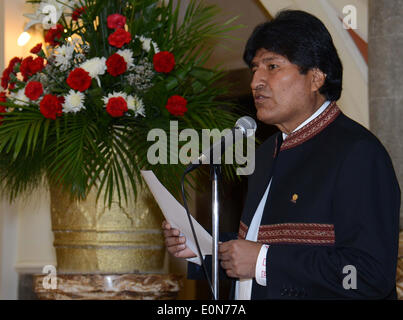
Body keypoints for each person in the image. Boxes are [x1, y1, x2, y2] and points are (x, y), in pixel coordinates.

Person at [162, 10, 401, 299]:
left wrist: (264, 262)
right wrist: (201, 248)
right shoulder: (267, 153)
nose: (256, 82)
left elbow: (366, 275)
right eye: (254, 69)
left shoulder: (357, 152)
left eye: (272, 66)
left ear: (315, 78)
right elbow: (256, 247)